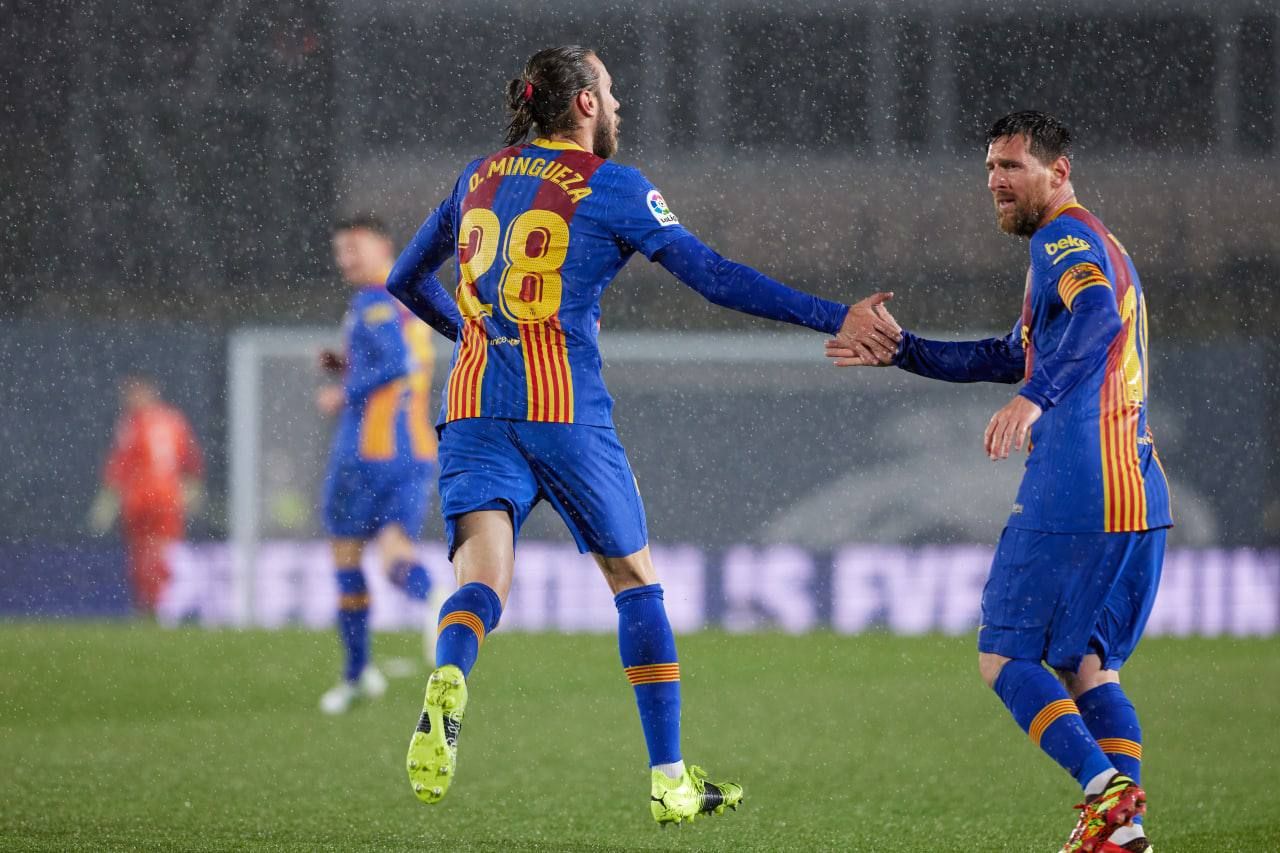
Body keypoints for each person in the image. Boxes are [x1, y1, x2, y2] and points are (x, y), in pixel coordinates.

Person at [385, 45, 896, 823]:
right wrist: (835, 315)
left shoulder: (476, 176)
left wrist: (474, 334)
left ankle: (451, 675)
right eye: (612, 92)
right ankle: (669, 779)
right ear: (584, 104)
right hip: (565, 412)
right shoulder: (610, 185)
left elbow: (403, 279)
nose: (618, 106)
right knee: (636, 583)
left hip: (473, 406)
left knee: (480, 582)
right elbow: (715, 277)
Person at [828, 111, 1170, 853]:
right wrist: (906, 351)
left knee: (1004, 656)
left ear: (1060, 170)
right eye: (990, 167)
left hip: (1082, 476)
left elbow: (1097, 319)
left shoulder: (1064, 238)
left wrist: (1035, 398)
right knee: (1088, 667)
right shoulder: (1095, 244)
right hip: (1140, 489)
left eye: (1012, 166)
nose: (995, 181)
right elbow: (1007, 352)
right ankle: (1124, 831)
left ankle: (1103, 791)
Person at [316, 213, 444, 715]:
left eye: (355, 248)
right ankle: (432, 598)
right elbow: (402, 359)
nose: (346, 260)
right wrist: (347, 364)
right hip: (414, 449)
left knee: (347, 558)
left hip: (367, 452)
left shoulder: (373, 300)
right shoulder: (416, 292)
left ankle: (357, 673)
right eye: (340, 252)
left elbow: (395, 364)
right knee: (394, 552)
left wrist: (342, 391)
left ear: (383, 244)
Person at [89, 375, 205, 614]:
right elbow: (191, 462)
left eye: (135, 392)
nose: (131, 398)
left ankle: (152, 605)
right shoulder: (174, 419)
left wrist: (108, 501)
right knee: (152, 553)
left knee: (149, 554)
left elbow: (120, 464)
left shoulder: (134, 423)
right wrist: (192, 489)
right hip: (165, 498)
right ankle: (153, 605)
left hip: (146, 498)